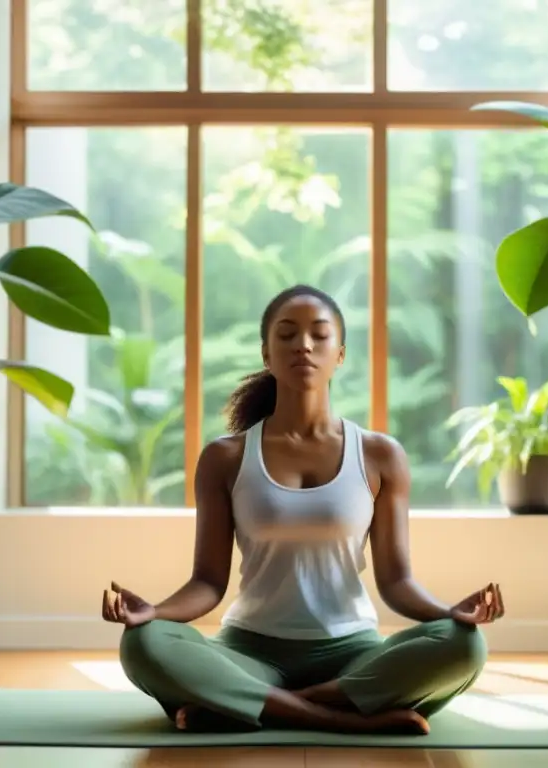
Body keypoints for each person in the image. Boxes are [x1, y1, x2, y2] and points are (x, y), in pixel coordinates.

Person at [102, 284, 504, 735]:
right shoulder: (226, 457)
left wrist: (452, 612)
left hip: (352, 657)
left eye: (320, 334)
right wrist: (153, 613)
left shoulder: (379, 455)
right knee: (143, 644)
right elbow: (207, 583)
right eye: (287, 335)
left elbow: (397, 583)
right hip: (248, 653)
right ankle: (341, 719)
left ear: (341, 354)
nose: (304, 345)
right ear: (267, 355)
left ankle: (246, 706)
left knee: (465, 646)